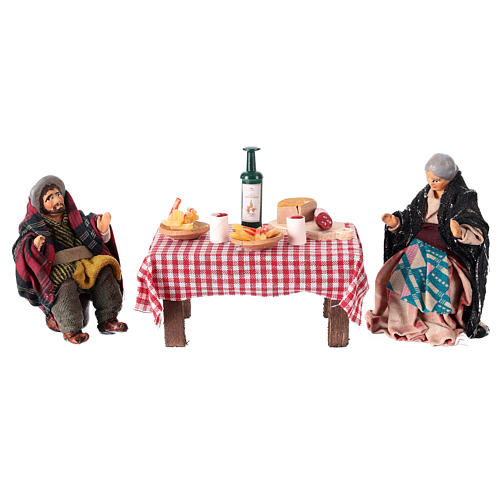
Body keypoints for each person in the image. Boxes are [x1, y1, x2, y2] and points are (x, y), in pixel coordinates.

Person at [366, 154, 489, 346]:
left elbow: (477, 228)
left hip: (445, 250)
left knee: (436, 276)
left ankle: (437, 322)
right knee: (401, 274)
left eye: (436, 180)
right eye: (429, 178)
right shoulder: (425, 194)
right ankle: (403, 320)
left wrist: (460, 232)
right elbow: (410, 217)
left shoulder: (464, 197)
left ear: (449, 179)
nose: (431, 182)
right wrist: (396, 223)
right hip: (418, 244)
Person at [13, 175, 128, 344]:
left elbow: (90, 227)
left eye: (58, 194)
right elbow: (21, 247)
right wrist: (34, 247)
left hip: (85, 264)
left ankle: (108, 319)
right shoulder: (35, 226)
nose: (56, 200)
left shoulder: (75, 218)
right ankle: (71, 329)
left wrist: (100, 229)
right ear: (41, 205)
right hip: (61, 269)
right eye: (49, 198)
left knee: (104, 271)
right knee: (65, 287)